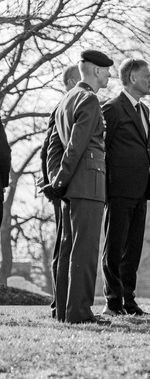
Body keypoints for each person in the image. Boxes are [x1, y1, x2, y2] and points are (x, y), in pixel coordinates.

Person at [39, 49, 113, 325]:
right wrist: (59, 182)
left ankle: (64, 311)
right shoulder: (89, 99)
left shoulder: (65, 100)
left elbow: (51, 148)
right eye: (106, 70)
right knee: (85, 249)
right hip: (87, 182)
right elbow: (76, 145)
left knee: (69, 247)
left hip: (70, 186)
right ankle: (79, 312)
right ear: (95, 70)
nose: (108, 75)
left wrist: (56, 181)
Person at [100, 58, 150, 317]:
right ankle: (113, 301)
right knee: (114, 247)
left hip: (141, 189)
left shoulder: (143, 110)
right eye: (147, 76)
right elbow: (103, 149)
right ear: (132, 78)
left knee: (132, 249)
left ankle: (129, 299)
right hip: (119, 189)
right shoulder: (112, 108)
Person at [39, 65, 81, 318]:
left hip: (68, 184)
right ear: (71, 82)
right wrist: (54, 183)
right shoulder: (62, 108)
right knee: (62, 245)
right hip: (62, 187)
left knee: (66, 243)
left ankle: (63, 301)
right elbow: (50, 150)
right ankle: (59, 302)